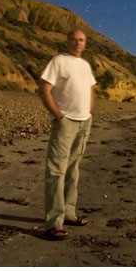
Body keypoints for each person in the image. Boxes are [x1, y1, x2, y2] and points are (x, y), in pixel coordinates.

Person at [39, 29, 96, 240]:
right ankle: (54, 222)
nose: (78, 43)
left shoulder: (85, 65)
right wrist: (59, 116)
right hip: (66, 122)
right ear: (67, 41)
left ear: (85, 43)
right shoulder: (58, 61)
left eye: (81, 40)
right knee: (57, 171)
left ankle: (69, 213)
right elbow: (44, 88)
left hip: (84, 122)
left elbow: (90, 90)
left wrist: (89, 112)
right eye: (74, 39)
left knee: (73, 169)